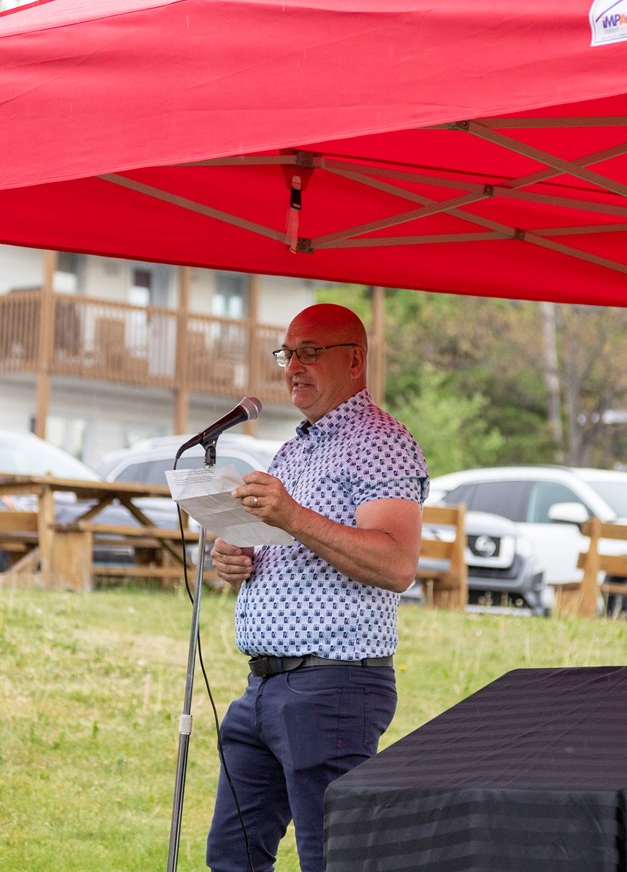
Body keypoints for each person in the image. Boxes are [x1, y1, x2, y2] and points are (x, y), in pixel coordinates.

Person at [205, 303, 429, 872]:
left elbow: (397, 562)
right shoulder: (295, 446)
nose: (295, 366)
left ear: (354, 360)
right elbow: (294, 541)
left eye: (311, 351)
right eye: (288, 354)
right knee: (233, 859)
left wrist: (293, 516)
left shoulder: (381, 442)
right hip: (263, 687)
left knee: (330, 860)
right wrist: (239, 556)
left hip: (332, 687)